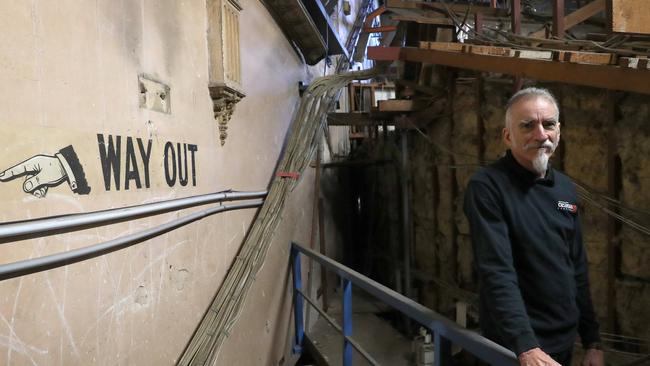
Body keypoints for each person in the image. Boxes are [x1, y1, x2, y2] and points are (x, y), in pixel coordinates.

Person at [463, 87, 604, 366]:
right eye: (528, 126)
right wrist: (525, 346)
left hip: (563, 343)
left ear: (559, 131)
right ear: (507, 136)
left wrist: (592, 341)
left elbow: (577, 267)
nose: (541, 135)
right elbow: (496, 271)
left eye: (548, 124)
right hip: (515, 349)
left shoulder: (565, 189)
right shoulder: (487, 187)